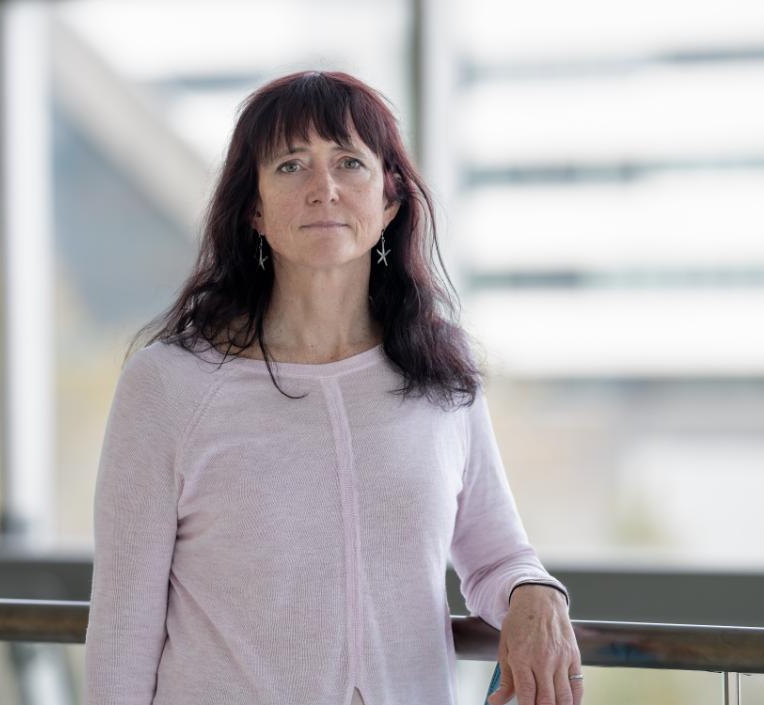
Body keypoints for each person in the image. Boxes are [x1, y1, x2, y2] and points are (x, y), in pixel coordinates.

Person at [85, 70, 583, 705]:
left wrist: (534, 593)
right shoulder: (169, 384)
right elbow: (123, 623)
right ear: (255, 211)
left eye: (349, 162)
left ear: (389, 203)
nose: (324, 189)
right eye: (292, 165)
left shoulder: (438, 370)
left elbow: (495, 556)